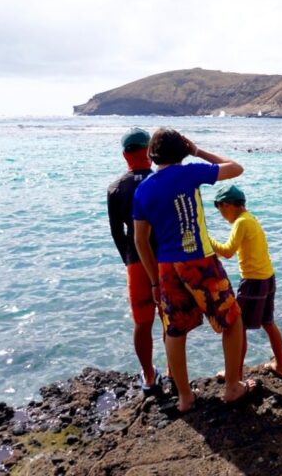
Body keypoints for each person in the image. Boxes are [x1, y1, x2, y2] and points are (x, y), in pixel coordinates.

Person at [133, 128, 257, 413]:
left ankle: (185, 396)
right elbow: (236, 168)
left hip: (166, 266)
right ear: (182, 151)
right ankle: (232, 387)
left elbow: (140, 240)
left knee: (175, 330)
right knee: (232, 319)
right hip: (199, 261)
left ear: (153, 155)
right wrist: (198, 151)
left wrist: (154, 281)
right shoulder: (189, 173)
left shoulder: (144, 189)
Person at [210, 184, 282, 382]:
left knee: (238, 328)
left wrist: (206, 239)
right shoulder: (251, 218)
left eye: (220, 209)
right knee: (268, 322)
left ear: (227, 205)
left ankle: (236, 374)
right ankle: (281, 366)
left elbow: (228, 251)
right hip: (268, 278)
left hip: (253, 281)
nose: (222, 215)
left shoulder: (241, 222)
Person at [107, 127, 165, 395]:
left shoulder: (116, 189)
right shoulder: (161, 181)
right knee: (170, 319)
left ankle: (150, 377)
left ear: (124, 155)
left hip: (135, 260)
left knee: (143, 322)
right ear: (149, 153)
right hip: (165, 257)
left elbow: (118, 233)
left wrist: (129, 260)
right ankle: (176, 372)